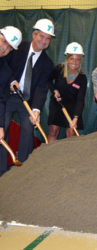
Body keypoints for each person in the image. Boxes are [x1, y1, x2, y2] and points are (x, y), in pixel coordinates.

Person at [0, 19, 55, 171]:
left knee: (28, 129)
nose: (44, 41)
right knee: (2, 127)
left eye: (47, 38)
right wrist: (11, 80)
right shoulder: (17, 47)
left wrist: (36, 109)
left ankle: (23, 169)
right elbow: (3, 64)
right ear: (34, 35)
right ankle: (2, 170)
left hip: (27, 100)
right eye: (41, 36)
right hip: (7, 96)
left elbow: (42, 88)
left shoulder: (47, 63)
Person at [48, 42, 87, 142]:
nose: (74, 62)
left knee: (71, 134)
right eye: (72, 58)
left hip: (73, 108)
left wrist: (76, 118)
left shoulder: (82, 78)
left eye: (77, 59)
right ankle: (49, 156)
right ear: (67, 59)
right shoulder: (59, 69)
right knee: (53, 131)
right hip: (57, 104)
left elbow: (80, 100)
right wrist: (54, 90)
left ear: (80, 61)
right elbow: (48, 80)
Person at [0, 26, 22, 176]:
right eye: (3, 41)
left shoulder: (5, 70)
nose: (4, 47)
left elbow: (1, 100)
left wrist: (0, 125)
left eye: (9, 46)